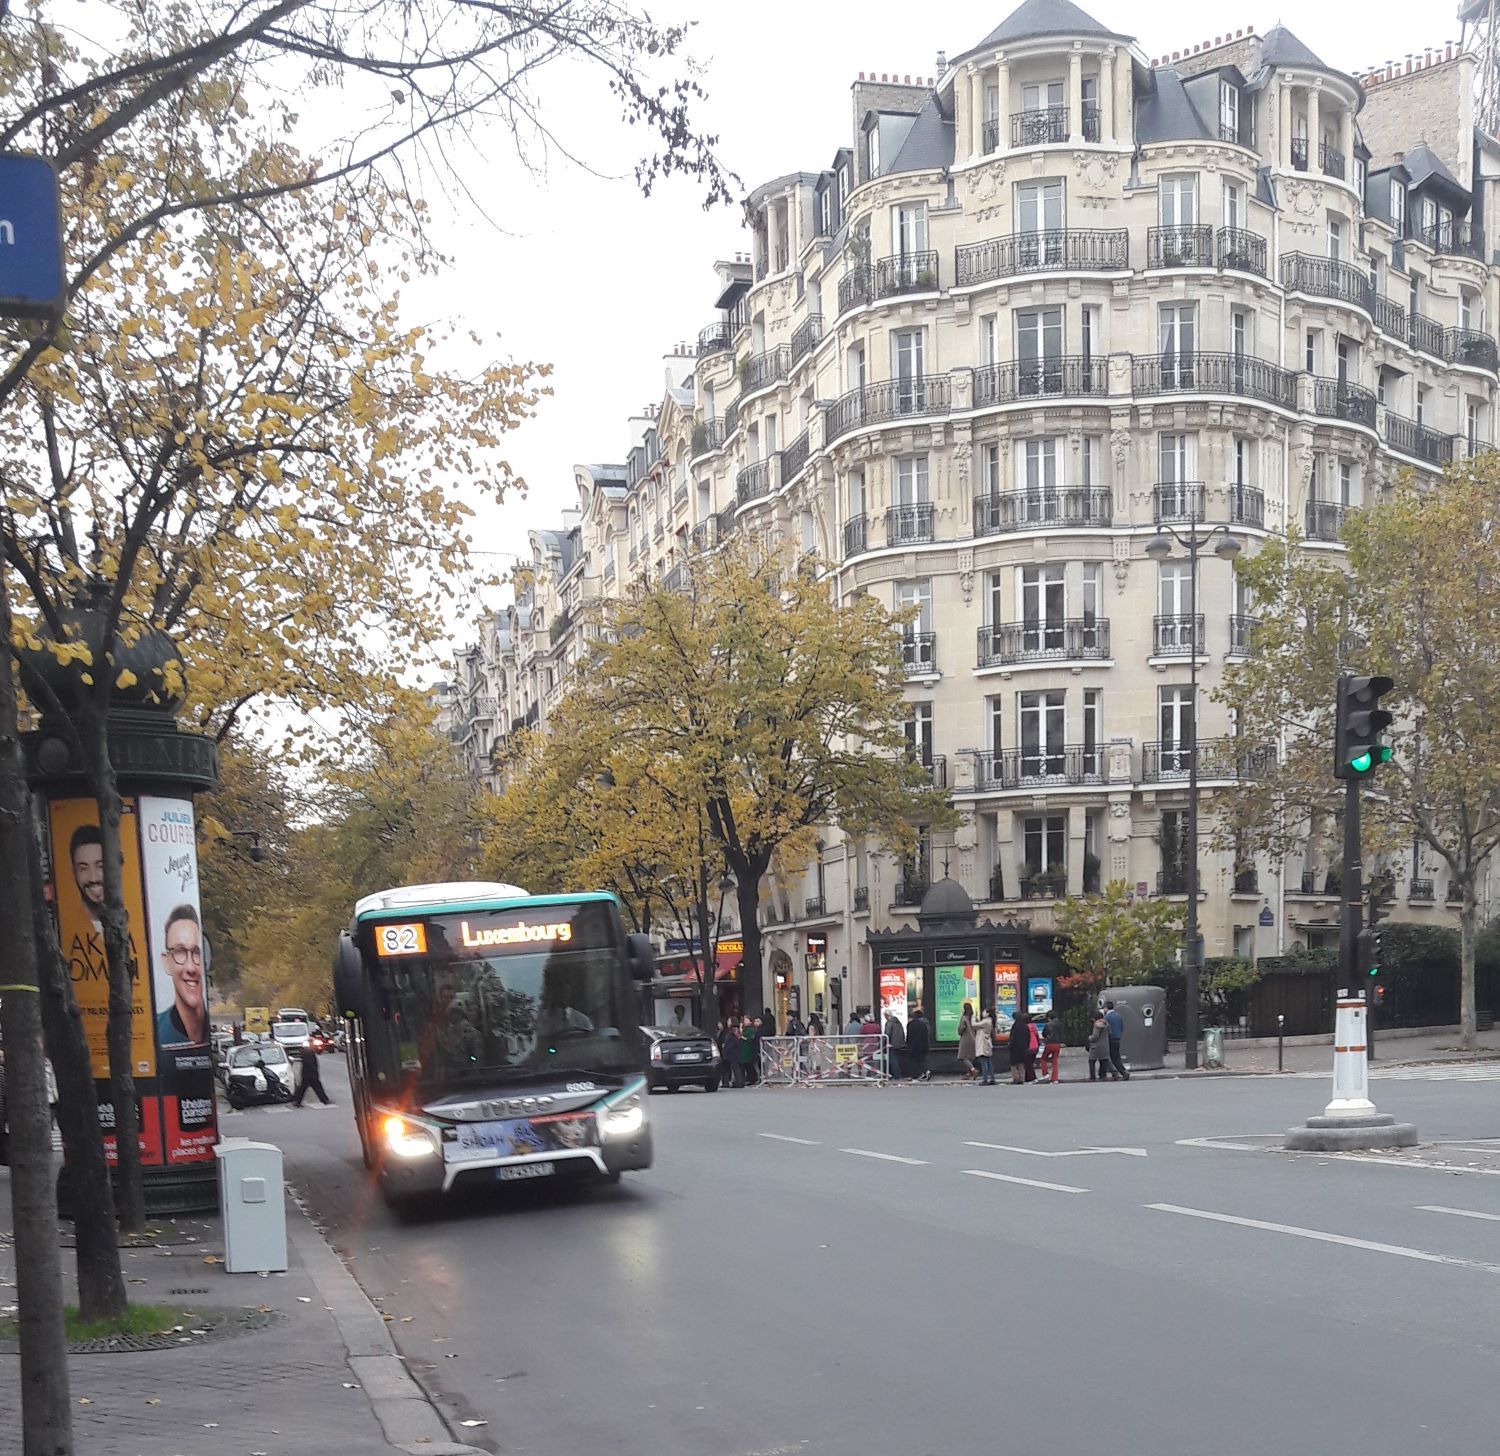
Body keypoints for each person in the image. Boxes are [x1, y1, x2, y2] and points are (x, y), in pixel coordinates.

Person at [154, 904, 208, 1047]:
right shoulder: (155, 1034)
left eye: (196, 952)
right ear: (166, 962)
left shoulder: (211, 1033)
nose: (191, 967)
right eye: (180, 952)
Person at [69, 824, 106, 929]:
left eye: (100, 866)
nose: (93, 878)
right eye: (84, 868)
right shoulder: (70, 925)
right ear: (74, 872)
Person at [293, 1038, 331, 1106]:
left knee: (303, 1088)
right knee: (317, 1087)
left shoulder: (307, 1052)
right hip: (310, 1074)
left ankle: (297, 1101)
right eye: (313, 1044)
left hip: (307, 1074)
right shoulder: (308, 1052)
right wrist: (314, 1072)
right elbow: (310, 1063)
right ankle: (325, 1100)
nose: (314, 1046)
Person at [1104, 999, 1130, 1081]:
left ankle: (1123, 1073)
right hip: (1118, 1038)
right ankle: (1120, 1072)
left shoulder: (1107, 1017)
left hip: (1110, 1039)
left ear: (1106, 1008)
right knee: (1117, 1057)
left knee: (1113, 1058)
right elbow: (1121, 1027)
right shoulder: (1118, 1016)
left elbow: (1105, 1029)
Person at [904, 1005, 931, 1082]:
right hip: (922, 1045)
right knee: (921, 1060)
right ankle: (924, 1072)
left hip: (913, 1046)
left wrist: (907, 1044)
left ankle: (915, 1076)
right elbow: (925, 1035)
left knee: (913, 1061)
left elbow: (909, 1036)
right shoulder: (923, 1024)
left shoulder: (911, 1025)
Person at [1040, 1008, 1064, 1084]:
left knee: (1043, 1059)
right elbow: (1062, 1033)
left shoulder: (1048, 1025)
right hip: (1057, 1044)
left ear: (1049, 1017)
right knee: (1055, 1061)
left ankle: (1045, 1073)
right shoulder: (1059, 1024)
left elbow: (1044, 1034)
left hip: (1049, 1043)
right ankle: (1055, 1079)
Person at [1087, 1011, 1112, 1083]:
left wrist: (1090, 1038)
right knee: (1103, 1060)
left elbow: (1095, 1036)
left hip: (1095, 1046)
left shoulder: (1096, 1025)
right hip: (1104, 1045)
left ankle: (1092, 1077)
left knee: (1092, 1061)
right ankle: (1103, 1075)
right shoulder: (1106, 1024)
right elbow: (1110, 1033)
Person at [973, 1006, 996, 1085]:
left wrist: (973, 1017)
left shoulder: (986, 1021)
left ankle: (985, 1079)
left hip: (983, 1044)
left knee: (984, 1061)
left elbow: (974, 1025)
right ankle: (992, 1078)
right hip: (987, 1043)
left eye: (984, 1012)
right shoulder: (988, 1021)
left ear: (988, 1013)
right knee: (988, 1062)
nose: (982, 1013)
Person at [883, 1006, 906, 1081]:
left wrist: (884, 1042)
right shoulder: (898, 1022)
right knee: (896, 1059)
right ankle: (897, 1074)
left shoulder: (890, 1023)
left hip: (892, 1044)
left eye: (885, 1016)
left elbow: (887, 1034)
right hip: (899, 1044)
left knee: (893, 1060)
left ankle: (896, 1075)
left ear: (887, 1016)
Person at [721, 1018, 744, 1088]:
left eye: (729, 1021)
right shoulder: (732, 1030)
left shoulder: (734, 1030)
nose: (727, 1022)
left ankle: (738, 1082)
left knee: (735, 1068)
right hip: (732, 1051)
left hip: (732, 1051)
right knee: (732, 1068)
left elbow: (735, 1039)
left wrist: (726, 1047)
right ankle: (730, 1082)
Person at [1008, 1012, 1031, 1085]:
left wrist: (1010, 1045)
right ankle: (1022, 1078)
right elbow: (1028, 1037)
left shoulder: (1015, 1026)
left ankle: (1016, 1078)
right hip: (1023, 1048)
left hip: (1015, 1048)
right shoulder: (1025, 1026)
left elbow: (1012, 1038)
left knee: (1013, 1064)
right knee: (1021, 1064)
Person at [957, 1003, 977, 1083]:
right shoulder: (973, 1018)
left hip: (966, 1039)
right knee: (970, 1057)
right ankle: (970, 1074)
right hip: (974, 1038)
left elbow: (961, 1029)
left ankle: (973, 1070)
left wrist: (959, 1031)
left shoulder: (964, 1018)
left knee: (962, 1057)